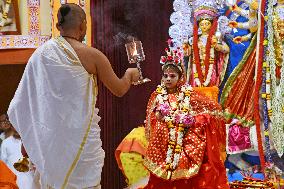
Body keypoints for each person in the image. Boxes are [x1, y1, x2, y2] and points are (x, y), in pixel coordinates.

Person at [7, 3, 140, 189]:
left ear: (57, 26)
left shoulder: (40, 54)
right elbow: (118, 89)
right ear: (83, 25)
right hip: (82, 143)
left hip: (51, 143)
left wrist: (34, 136)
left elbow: (19, 105)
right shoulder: (93, 56)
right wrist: (129, 75)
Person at [142, 48, 229, 189]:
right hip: (163, 138)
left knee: (197, 144)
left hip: (185, 135)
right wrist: (159, 115)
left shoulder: (189, 94)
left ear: (180, 77)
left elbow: (213, 111)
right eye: (165, 76)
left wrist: (192, 120)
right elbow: (152, 115)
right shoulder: (157, 94)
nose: (168, 79)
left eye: (172, 76)